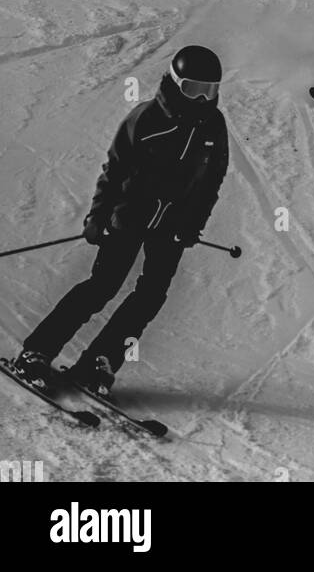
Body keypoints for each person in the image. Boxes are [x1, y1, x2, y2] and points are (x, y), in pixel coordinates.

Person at [12, 46, 229, 395]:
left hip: (171, 227)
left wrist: (193, 224)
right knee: (102, 287)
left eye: (210, 89)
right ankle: (36, 352)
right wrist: (98, 216)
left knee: (150, 296)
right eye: (193, 88)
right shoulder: (146, 119)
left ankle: (100, 361)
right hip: (128, 218)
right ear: (176, 83)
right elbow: (114, 170)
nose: (202, 98)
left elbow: (212, 180)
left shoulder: (214, 127)